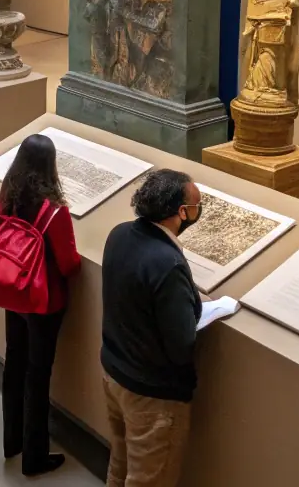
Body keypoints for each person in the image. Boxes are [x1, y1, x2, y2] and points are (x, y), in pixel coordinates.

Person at [99, 170, 204, 487]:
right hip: (151, 394)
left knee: (120, 465)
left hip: (114, 374)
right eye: (197, 205)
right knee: (149, 480)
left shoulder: (119, 234)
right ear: (181, 213)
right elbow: (182, 343)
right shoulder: (166, 262)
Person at [0, 135, 81, 477]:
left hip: (12, 291)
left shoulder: (8, 194)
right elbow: (69, 264)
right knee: (38, 375)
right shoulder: (54, 210)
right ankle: (34, 456)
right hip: (43, 302)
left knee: (13, 363)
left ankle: (11, 440)